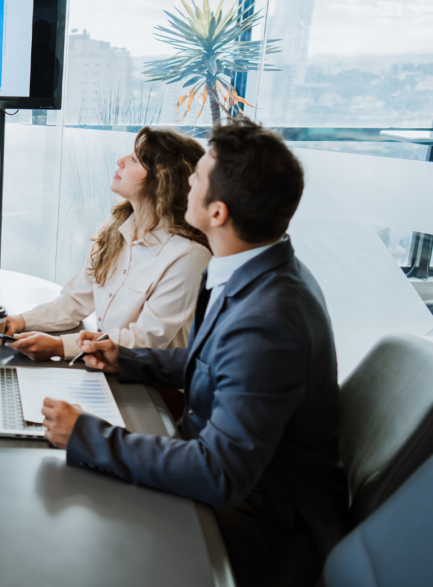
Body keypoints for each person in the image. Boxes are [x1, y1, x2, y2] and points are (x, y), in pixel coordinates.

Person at [42, 120, 347, 587]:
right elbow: (225, 365)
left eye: (198, 176)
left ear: (218, 212)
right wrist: (130, 359)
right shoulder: (261, 269)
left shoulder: (269, 318)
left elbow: (219, 472)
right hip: (245, 486)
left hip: (264, 522)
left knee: (79, 538)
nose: (186, 180)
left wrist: (88, 436)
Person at [5, 126, 212, 361]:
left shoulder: (189, 255)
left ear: (162, 179)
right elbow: (75, 301)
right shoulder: (114, 232)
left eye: (134, 159)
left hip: (152, 388)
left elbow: (148, 339)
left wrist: (60, 346)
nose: (120, 161)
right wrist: (19, 321)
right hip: (104, 365)